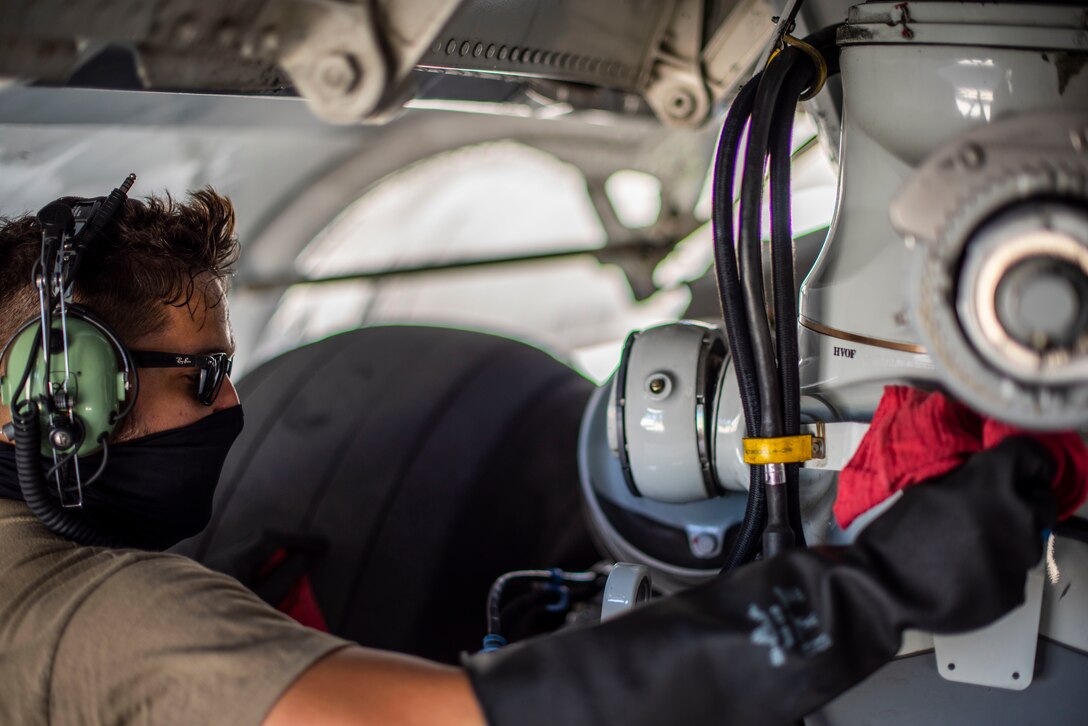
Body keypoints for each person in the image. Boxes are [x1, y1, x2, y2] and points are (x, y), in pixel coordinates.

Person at [0, 188, 1061, 726]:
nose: (236, 401)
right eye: (196, 377)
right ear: (48, 402)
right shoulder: (88, 612)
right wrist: (879, 588)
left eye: (228, 363)